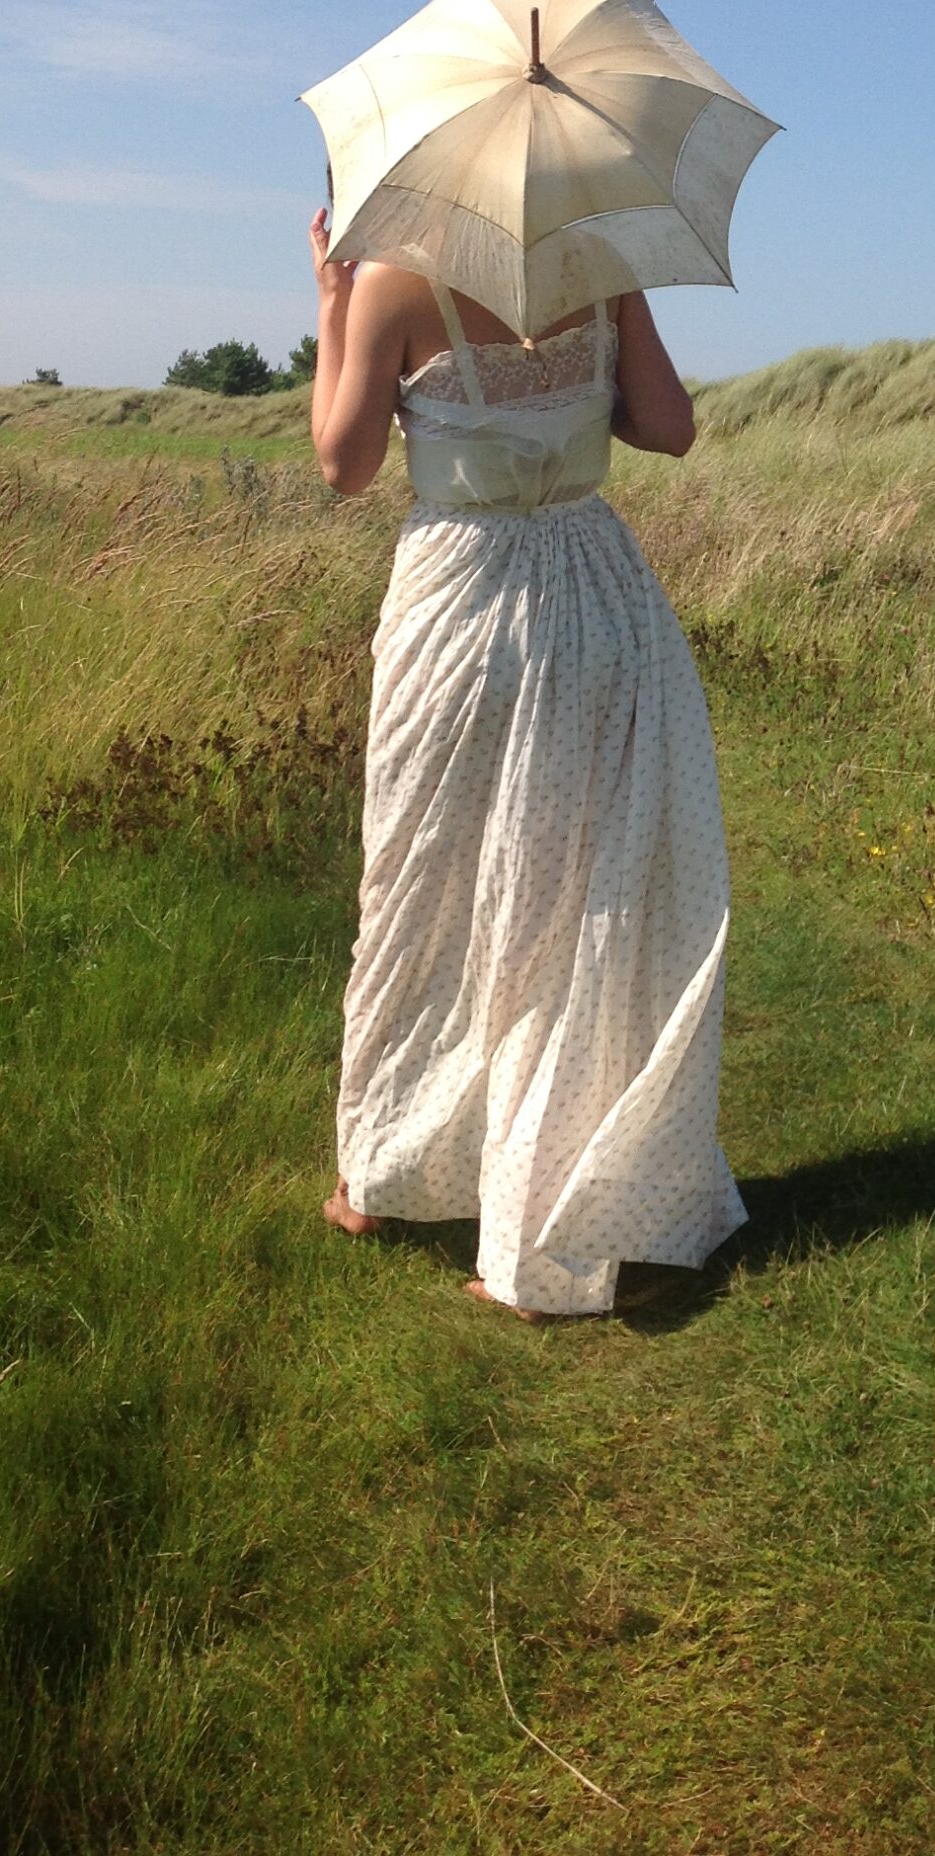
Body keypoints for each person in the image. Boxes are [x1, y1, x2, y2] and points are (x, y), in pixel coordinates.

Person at [304, 211, 746, 1320]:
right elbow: (671, 427)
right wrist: (608, 319)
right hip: (598, 592)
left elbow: (343, 464)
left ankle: (382, 1177)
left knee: (418, 884)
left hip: (461, 605)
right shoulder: (598, 270)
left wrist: (328, 301)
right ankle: (545, 1180)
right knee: (580, 896)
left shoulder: (393, 284)